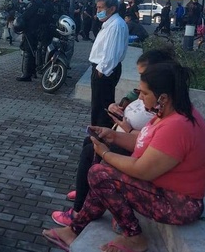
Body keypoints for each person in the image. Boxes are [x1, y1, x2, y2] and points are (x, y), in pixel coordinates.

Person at [42, 61, 205, 252]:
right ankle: (74, 229)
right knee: (105, 170)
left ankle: (134, 237)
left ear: (162, 97)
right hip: (166, 194)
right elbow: (146, 142)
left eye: (144, 93)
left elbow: (142, 170)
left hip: (178, 205)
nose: (140, 97)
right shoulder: (170, 114)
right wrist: (112, 135)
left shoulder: (178, 126)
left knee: (100, 173)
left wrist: (105, 152)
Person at [51, 49, 175, 228]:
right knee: (92, 143)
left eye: (144, 92)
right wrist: (113, 128)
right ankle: (84, 196)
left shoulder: (168, 116)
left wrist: (109, 150)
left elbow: (144, 159)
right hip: (136, 146)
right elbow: (144, 133)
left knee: (96, 161)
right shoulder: (159, 106)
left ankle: (79, 214)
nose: (140, 93)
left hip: (172, 196)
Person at [89, 0, 129, 128]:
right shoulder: (109, 24)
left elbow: (111, 52)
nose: (98, 11)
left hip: (105, 70)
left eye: (101, 8)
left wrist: (101, 70)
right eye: (97, 8)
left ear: (112, 9)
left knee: (102, 106)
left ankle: (101, 134)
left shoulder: (115, 25)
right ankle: (98, 131)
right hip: (102, 68)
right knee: (99, 104)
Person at [16, 0, 45, 82]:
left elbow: (25, 16)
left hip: (30, 30)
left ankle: (26, 74)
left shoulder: (34, 4)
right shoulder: (41, 4)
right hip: (38, 30)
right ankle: (32, 72)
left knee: (28, 52)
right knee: (33, 51)